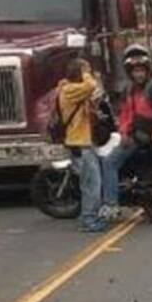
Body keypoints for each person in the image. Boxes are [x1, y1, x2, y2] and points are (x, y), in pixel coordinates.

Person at [103, 45, 152, 221]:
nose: (139, 74)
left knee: (109, 163)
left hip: (144, 136)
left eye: (141, 70)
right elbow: (125, 115)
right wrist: (124, 133)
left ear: (147, 70)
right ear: (130, 72)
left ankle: (111, 205)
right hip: (135, 136)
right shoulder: (129, 91)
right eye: (136, 71)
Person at [54, 58, 106, 233]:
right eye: (86, 70)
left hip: (84, 142)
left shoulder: (74, 90)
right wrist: (87, 73)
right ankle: (89, 219)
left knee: (88, 182)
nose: (89, 73)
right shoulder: (69, 90)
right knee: (92, 184)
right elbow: (90, 86)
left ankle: (88, 215)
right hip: (79, 143)